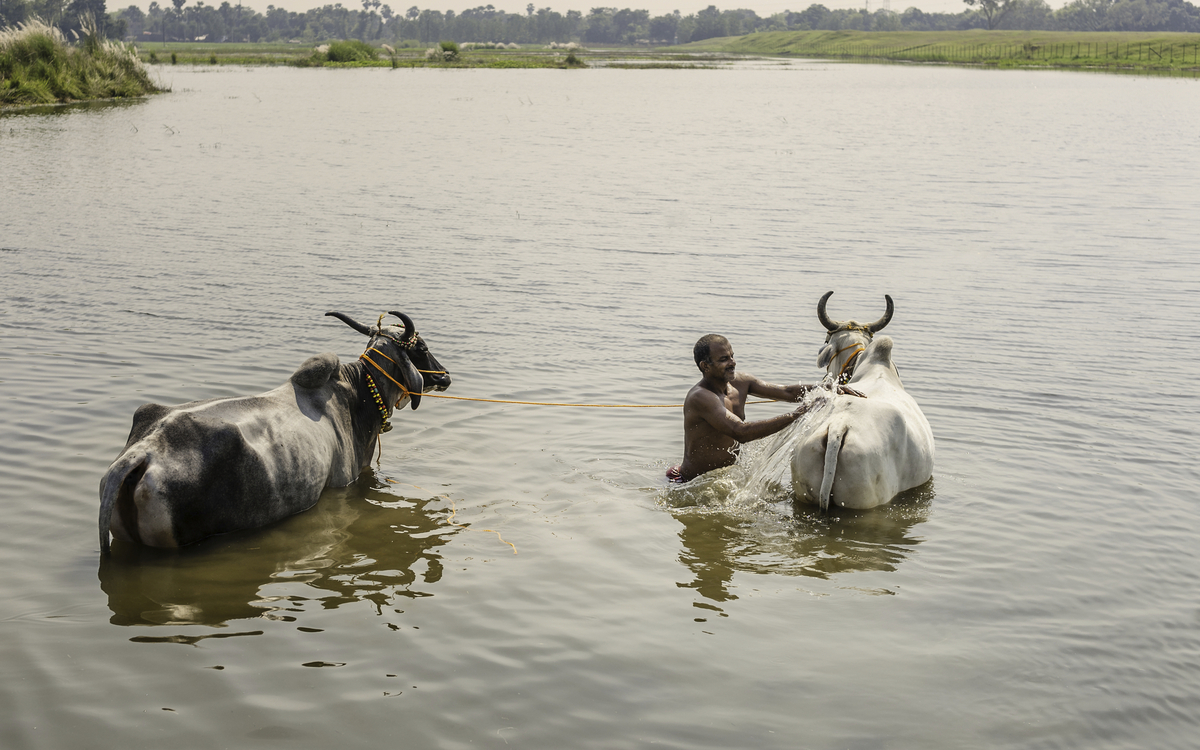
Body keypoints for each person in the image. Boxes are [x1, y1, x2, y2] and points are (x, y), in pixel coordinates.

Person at [667, 334, 864, 483]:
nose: (732, 363)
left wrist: (828, 387)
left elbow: (787, 392)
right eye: (723, 359)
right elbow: (740, 432)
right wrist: (798, 414)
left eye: (732, 356)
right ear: (705, 366)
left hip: (724, 475)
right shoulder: (701, 397)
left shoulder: (741, 382)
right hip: (691, 481)